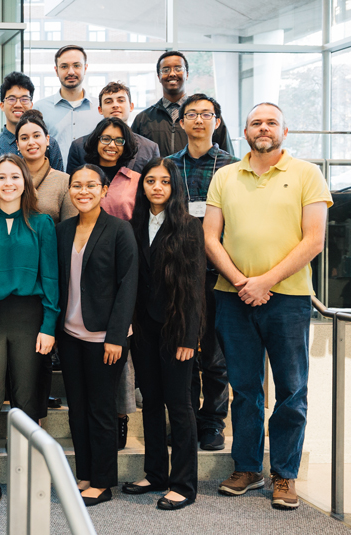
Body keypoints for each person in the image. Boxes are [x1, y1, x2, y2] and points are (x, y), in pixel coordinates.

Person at [206, 103, 331, 510]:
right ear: (244, 131)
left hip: (289, 300)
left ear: (285, 130)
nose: (264, 128)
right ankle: (246, 467)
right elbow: (210, 237)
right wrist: (244, 283)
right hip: (233, 297)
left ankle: (284, 475)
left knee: (291, 391)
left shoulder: (307, 174)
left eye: (271, 122)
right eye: (256, 122)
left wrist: (265, 281)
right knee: (243, 390)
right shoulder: (225, 175)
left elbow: (313, 240)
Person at [0, 154, 59, 501]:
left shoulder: (42, 223)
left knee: (26, 399)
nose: (8, 183)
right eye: (1, 177)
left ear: (26, 182)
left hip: (29, 317)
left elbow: (51, 277)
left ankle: (25, 470)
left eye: (15, 177)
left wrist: (49, 324)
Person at [122, 159, 204, 510]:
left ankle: (183, 485)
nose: (157, 186)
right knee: (151, 401)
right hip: (143, 329)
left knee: (179, 405)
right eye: (151, 181)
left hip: (176, 329)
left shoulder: (188, 227)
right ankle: (155, 474)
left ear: (174, 187)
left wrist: (190, 336)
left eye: (164, 181)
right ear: (143, 187)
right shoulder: (134, 224)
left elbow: (197, 286)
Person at [56, 164, 137, 507]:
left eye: (91, 185)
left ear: (104, 190)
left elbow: (128, 284)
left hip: (105, 337)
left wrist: (117, 336)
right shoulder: (62, 230)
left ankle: (103, 482)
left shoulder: (119, 230)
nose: (83, 191)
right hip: (70, 335)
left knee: (101, 410)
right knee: (76, 409)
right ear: (70, 191)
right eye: (77, 185)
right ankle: (84, 475)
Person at [166, 93, 238, 451]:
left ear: (217, 121)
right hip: (176, 273)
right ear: (180, 123)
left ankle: (212, 422)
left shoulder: (232, 167)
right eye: (190, 114)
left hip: (216, 272)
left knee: (212, 352)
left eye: (206, 114)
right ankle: (185, 418)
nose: (198, 120)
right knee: (180, 348)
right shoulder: (167, 166)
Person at [132, 51, 234, 157]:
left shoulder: (208, 115)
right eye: (166, 70)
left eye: (178, 68)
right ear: (158, 76)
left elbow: (227, 157)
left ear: (187, 74)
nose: (172, 73)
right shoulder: (143, 119)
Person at [66, 82, 160, 175]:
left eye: (121, 100)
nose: (115, 105)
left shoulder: (150, 148)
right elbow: (73, 185)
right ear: (100, 109)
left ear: (131, 107)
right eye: (108, 102)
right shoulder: (78, 146)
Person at [37, 45, 104, 165]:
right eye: (64, 66)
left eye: (76, 65)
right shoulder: (40, 109)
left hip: (91, 181)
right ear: (56, 71)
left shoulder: (101, 109)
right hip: (53, 181)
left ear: (85, 68)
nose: (71, 72)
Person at [14, 110, 77, 224]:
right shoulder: (8, 179)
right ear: (17, 145)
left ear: (47, 140)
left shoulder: (64, 181)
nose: (31, 142)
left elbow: (70, 229)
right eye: (24, 138)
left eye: (36, 136)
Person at [0, 71, 63, 168]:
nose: (18, 104)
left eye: (24, 99)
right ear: (2, 105)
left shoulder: (49, 144)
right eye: (12, 99)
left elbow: (58, 180)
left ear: (31, 105)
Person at [83, 117, 140, 221]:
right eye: (105, 139)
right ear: (96, 141)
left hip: (125, 236)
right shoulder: (81, 176)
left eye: (119, 140)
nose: (112, 145)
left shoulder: (136, 180)